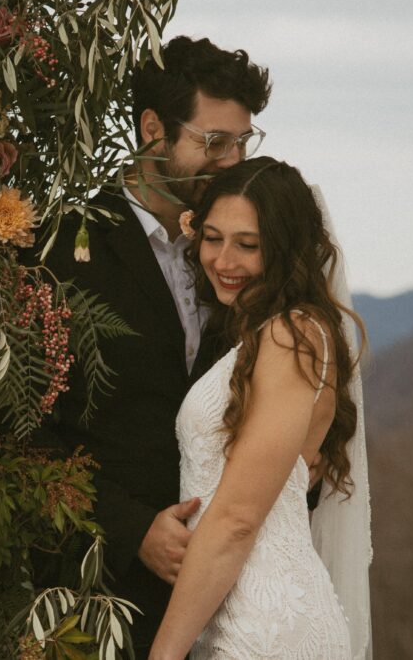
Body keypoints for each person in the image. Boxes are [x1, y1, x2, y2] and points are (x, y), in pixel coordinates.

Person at [38, 37, 272, 654]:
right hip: (98, 600)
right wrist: (131, 529)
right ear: (152, 130)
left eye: (243, 142)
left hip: (236, 593)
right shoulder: (63, 250)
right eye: (213, 142)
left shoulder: (237, 253)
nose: (231, 161)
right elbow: (27, 435)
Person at [148, 157, 372, 659]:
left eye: (247, 245)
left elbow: (237, 519)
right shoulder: (258, 337)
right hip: (230, 612)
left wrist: (163, 655)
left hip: (264, 626)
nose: (224, 260)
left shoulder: (291, 336)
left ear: (285, 249)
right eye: (212, 238)